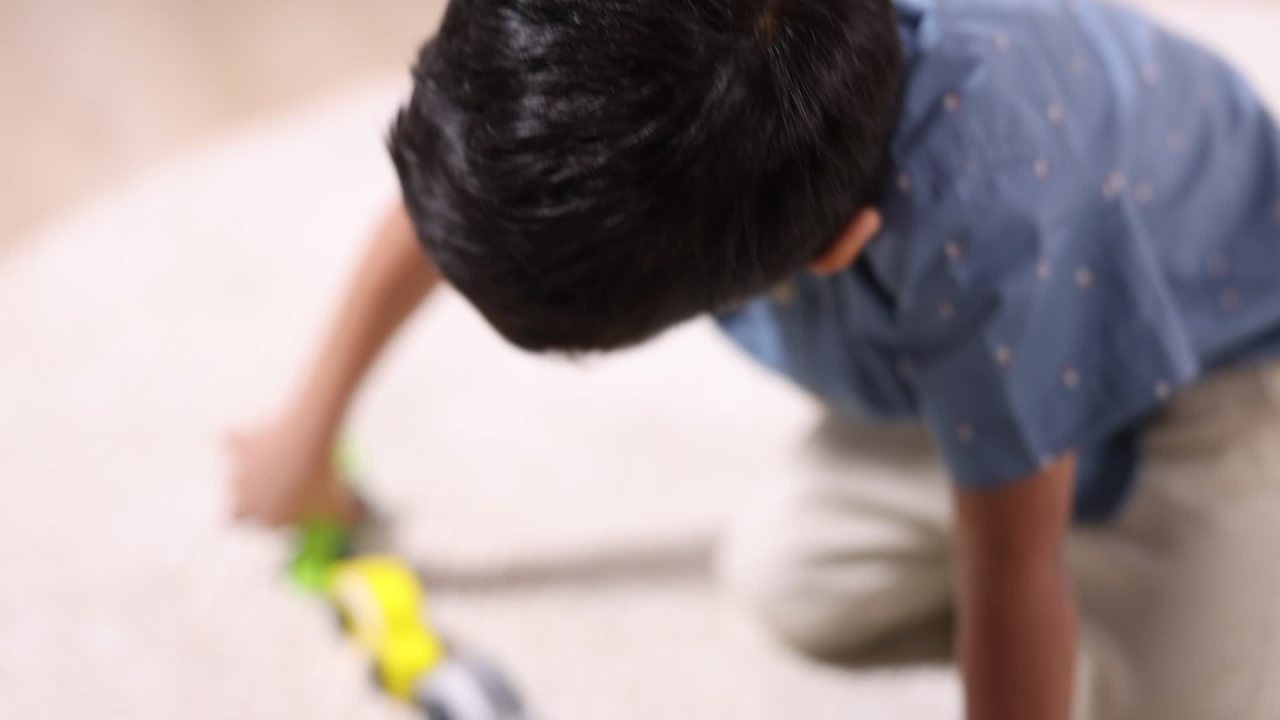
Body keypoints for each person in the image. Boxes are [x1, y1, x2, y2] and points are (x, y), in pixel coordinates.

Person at [226, 0, 1280, 717]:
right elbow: (467, 184)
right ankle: (1050, 489)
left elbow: (1010, 570)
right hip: (982, 325)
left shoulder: (987, 220)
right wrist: (305, 432)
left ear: (827, 254)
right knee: (792, 583)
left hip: (1203, 368)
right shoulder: (686, 86)